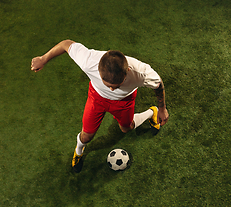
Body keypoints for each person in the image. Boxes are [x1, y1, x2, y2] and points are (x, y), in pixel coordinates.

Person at [31, 40, 169, 173]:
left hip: (124, 101)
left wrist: (162, 109)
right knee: (86, 136)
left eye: (117, 86)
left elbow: (158, 85)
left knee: (127, 128)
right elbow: (65, 44)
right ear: (98, 70)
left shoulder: (141, 72)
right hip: (96, 98)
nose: (112, 90)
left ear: (127, 70)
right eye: (108, 85)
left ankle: (152, 112)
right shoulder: (88, 61)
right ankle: (79, 151)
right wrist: (44, 59)